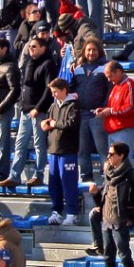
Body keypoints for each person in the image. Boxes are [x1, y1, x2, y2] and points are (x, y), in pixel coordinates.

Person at [0, 36, 55, 188]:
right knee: (20, 144)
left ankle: (38, 175)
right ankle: (14, 176)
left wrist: (38, 108)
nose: (31, 49)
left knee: (39, 144)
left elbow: (48, 90)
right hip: (25, 110)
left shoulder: (48, 64)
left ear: (43, 48)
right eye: (30, 46)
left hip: (38, 111)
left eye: (34, 46)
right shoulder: (30, 63)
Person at [87, 142, 134, 267]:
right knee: (108, 256)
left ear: (121, 155)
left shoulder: (132, 174)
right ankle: (98, 247)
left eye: (111, 154)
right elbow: (105, 197)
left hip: (120, 220)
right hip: (107, 219)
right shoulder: (109, 174)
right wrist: (96, 194)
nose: (108, 156)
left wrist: (133, 219)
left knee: (124, 254)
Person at [69, 39, 110, 181]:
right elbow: (71, 89)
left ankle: (107, 178)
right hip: (81, 115)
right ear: (84, 52)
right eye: (88, 50)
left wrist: (104, 107)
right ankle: (86, 179)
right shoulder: (77, 69)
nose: (91, 52)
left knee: (103, 150)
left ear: (99, 52)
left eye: (94, 50)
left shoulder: (105, 68)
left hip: (97, 116)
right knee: (82, 150)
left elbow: (109, 90)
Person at [41, 77, 79, 225]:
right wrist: (45, 124)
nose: (53, 95)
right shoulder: (53, 105)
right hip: (53, 149)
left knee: (68, 182)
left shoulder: (73, 105)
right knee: (54, 183)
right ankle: (56, 211)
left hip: (68, 150)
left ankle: (72, 213)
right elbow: (49, 121)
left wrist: (54, 123)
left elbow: (72, 124)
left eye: (55, 91)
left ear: (64, 90)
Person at [98, 59, 134, 151]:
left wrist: (110, 111)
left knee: (124, 158)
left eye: (110, 76)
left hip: (124, 130)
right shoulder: (116, 86)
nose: (109, 80)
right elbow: (114, 106)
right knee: (115, 159)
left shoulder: (129, 85)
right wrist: (104, 110)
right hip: (114, 130)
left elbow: (130, 107)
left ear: (118, 71)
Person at [0, 40, 19, 183]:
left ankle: (2, 172)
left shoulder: (10, 67)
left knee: (3, 142)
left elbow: (15, 90)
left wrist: (1, 108)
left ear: (4, 49)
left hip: (4, 111)